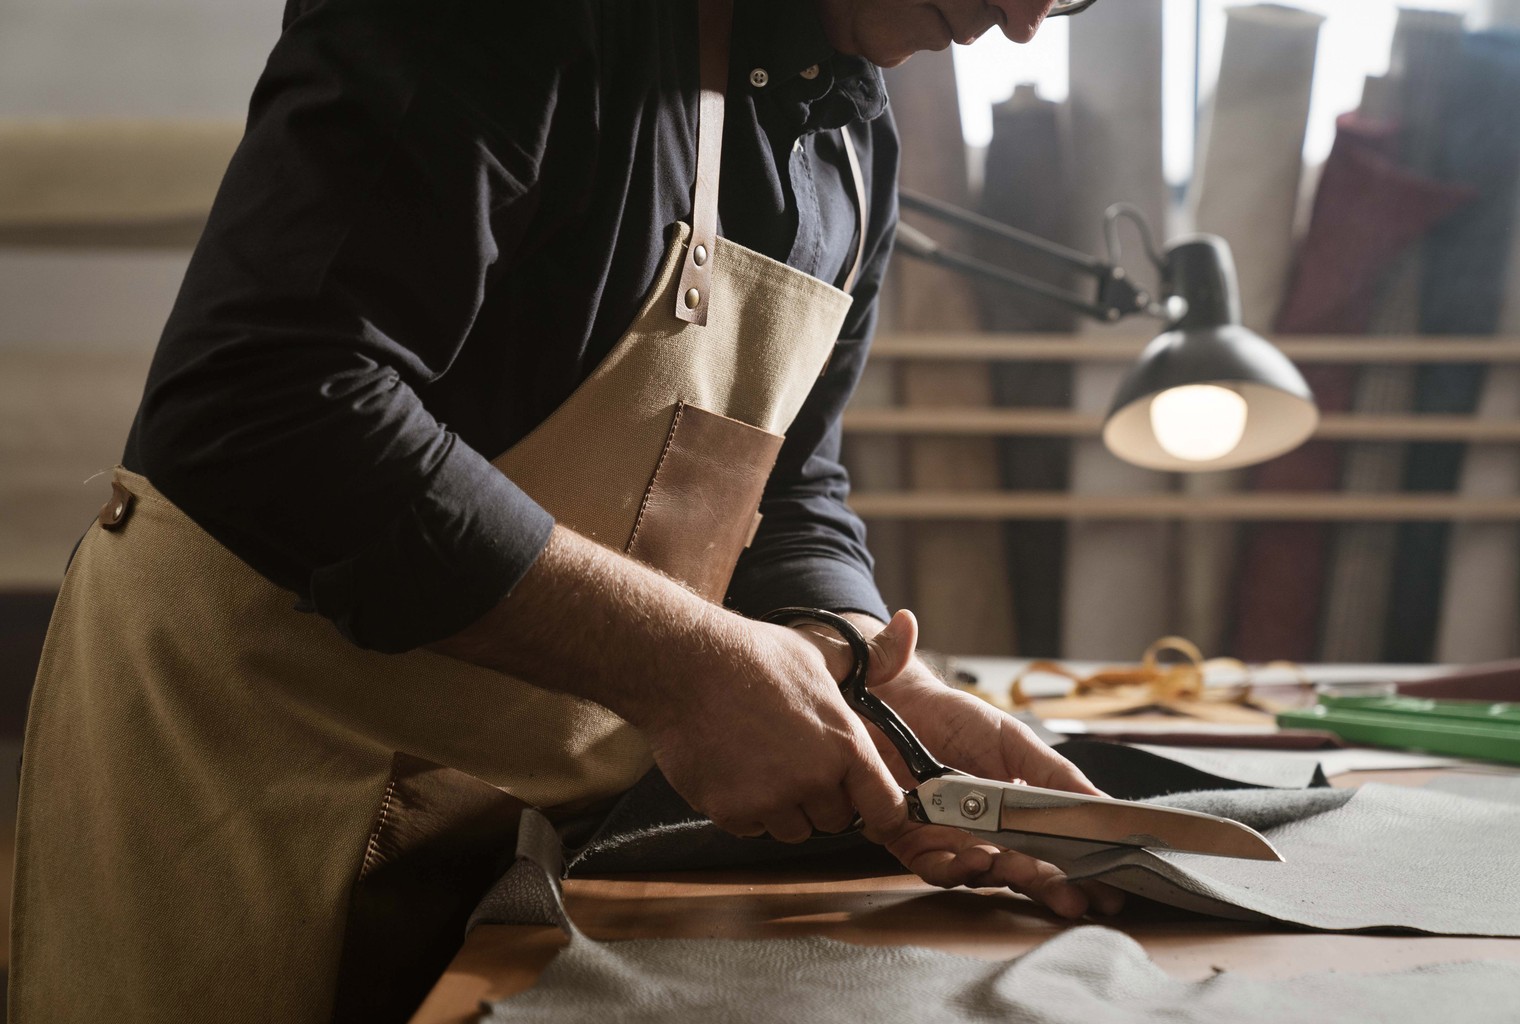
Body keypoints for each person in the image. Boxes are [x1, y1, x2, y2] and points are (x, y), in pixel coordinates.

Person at [11, 1, 1118, 1021]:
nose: (1023, 19)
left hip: (522, 833)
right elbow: (265, 403)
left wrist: (867, 668)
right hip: (240, 773)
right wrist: (689, 667)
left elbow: (787, 485)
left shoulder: (852, 145)